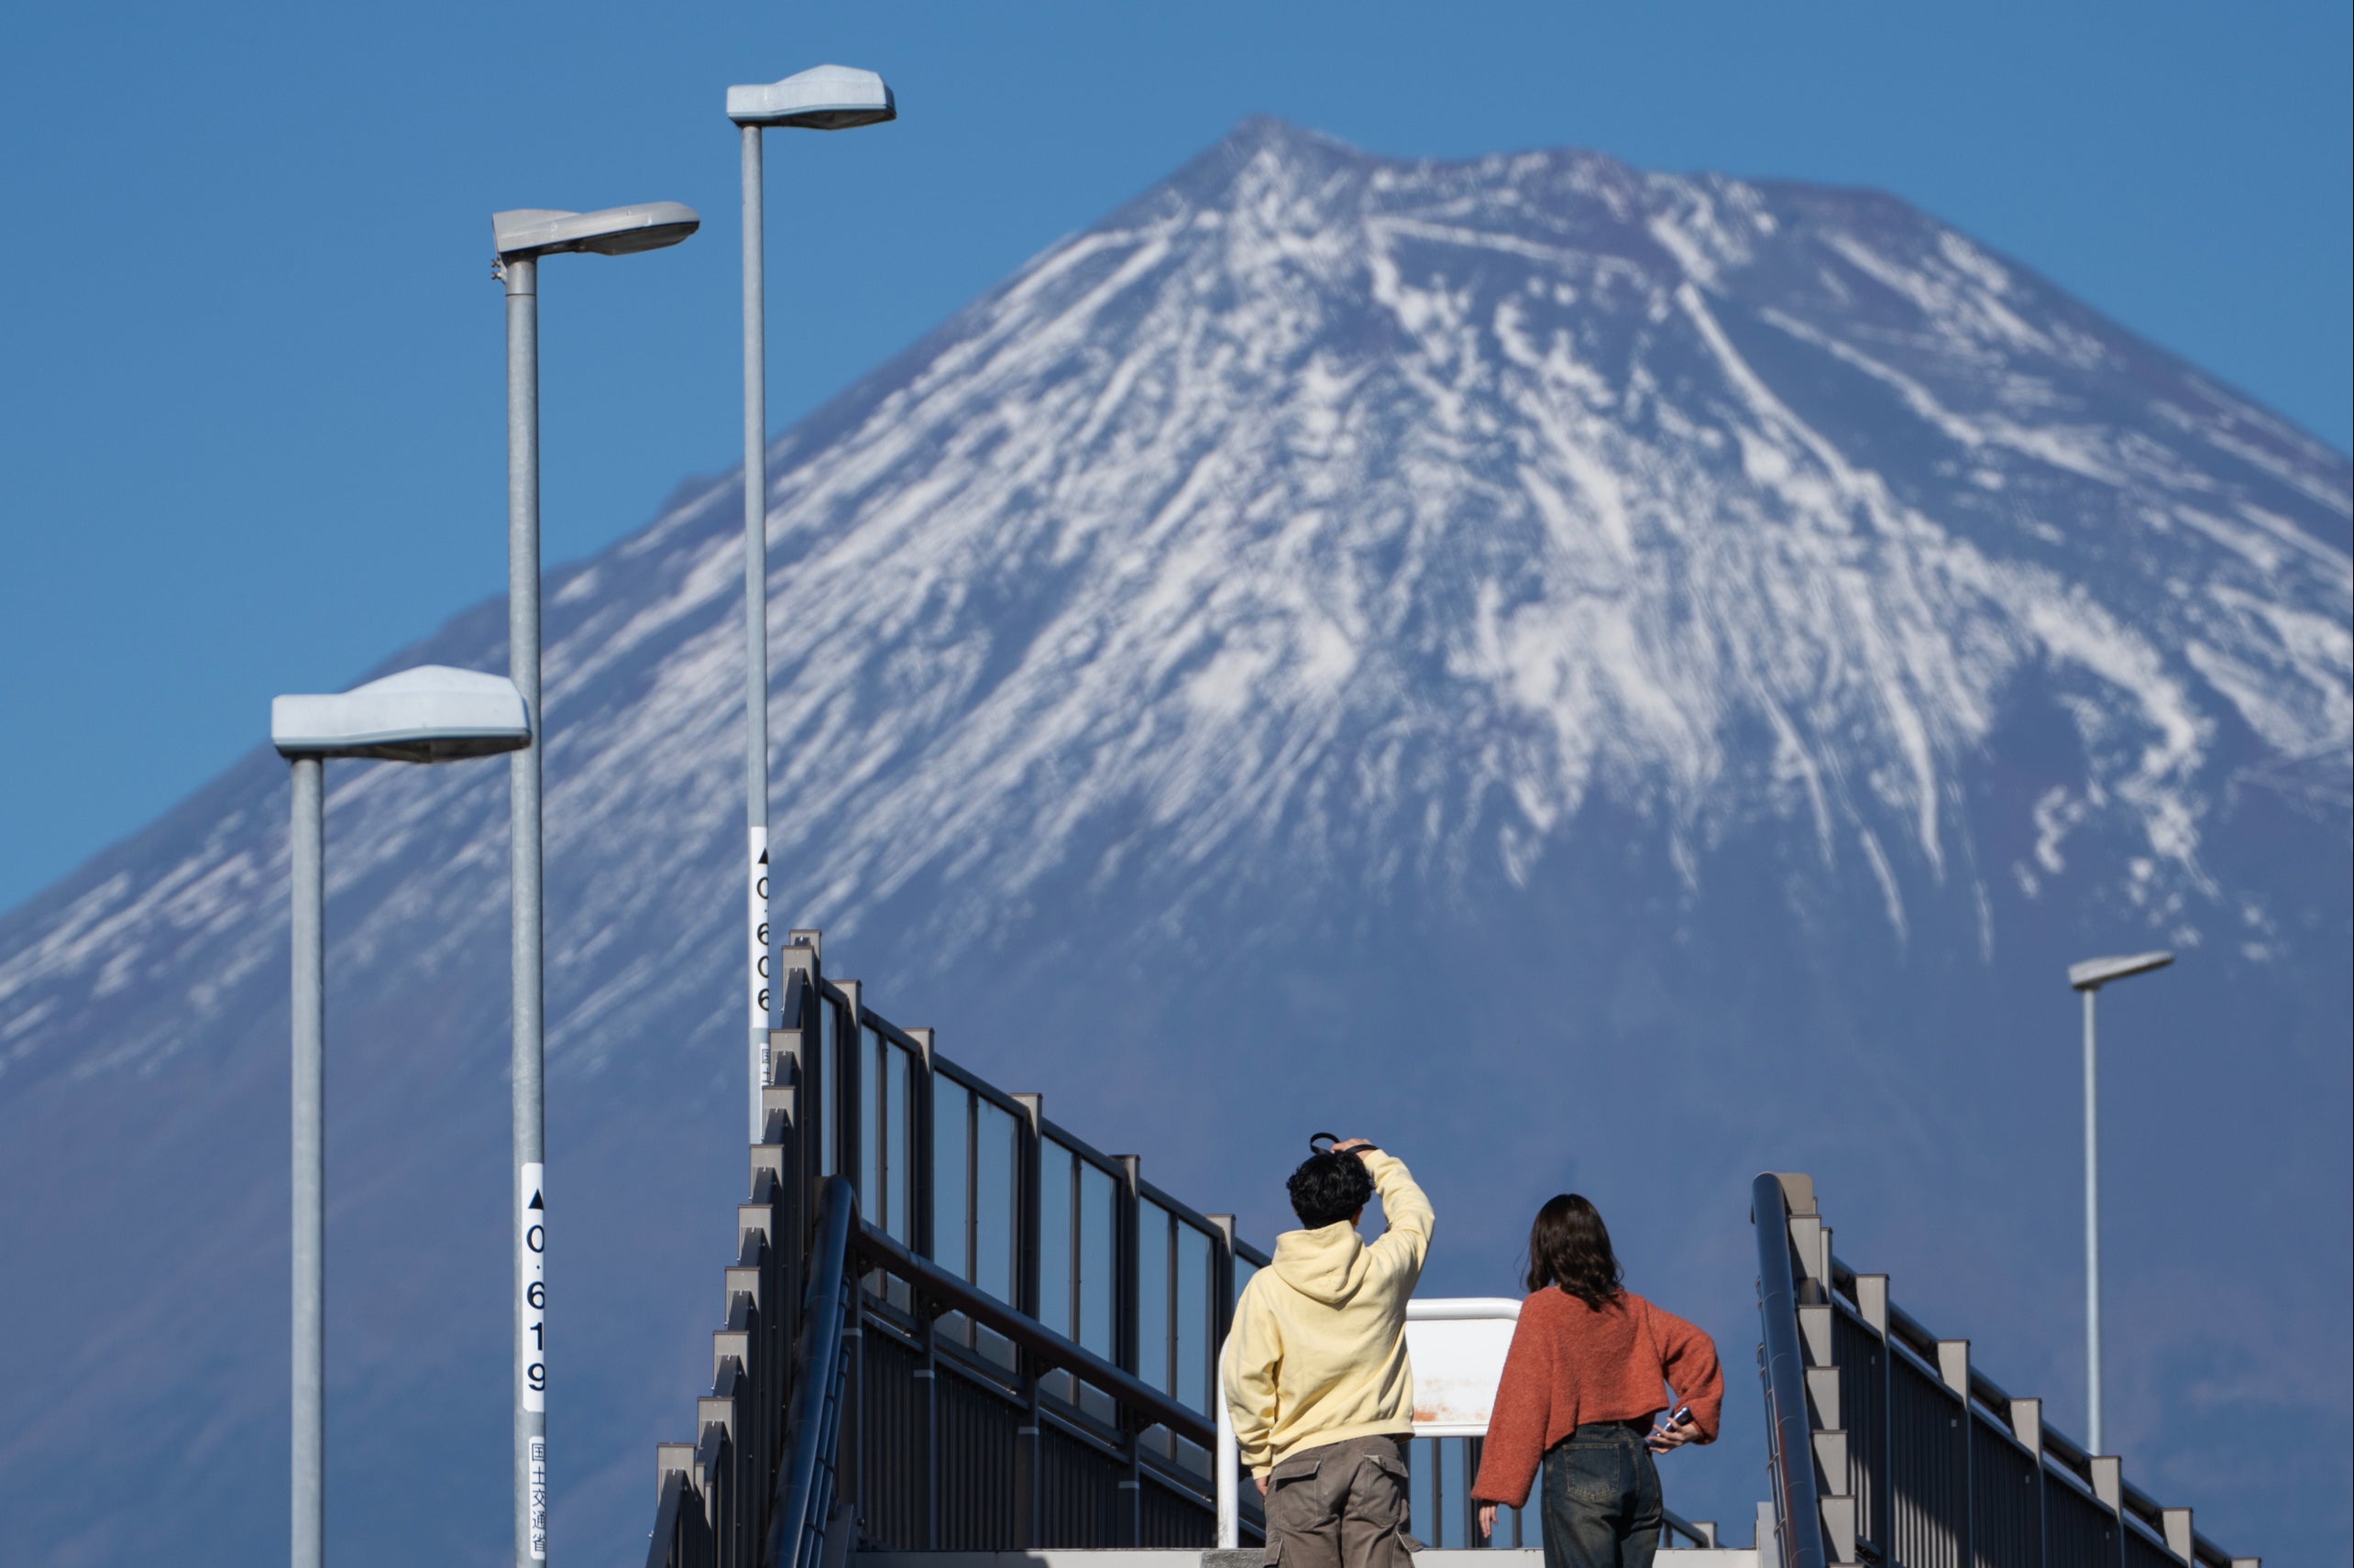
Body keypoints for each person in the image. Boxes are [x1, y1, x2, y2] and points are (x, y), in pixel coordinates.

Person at [1469, 1193, 1722, 1568]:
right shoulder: (1633, 1309)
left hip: (1580, 1464)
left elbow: (1523, 1398)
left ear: (1548, 1248)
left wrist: (1496, 1485)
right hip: (1639, 1466)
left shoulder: (1544, 1310)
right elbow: (1699, 1346)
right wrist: (1695, 1420)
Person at [1222, 1136, 1435, 1568]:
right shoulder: (1385, 1268)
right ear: (1359, 1212)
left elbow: (1245, 1379)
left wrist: (1259, 1458)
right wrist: (1372, 1158)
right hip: (1375, 1457)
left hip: (1298, 1462)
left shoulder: (1268, 1287)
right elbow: (1415, 1214)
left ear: (1298, 1211)